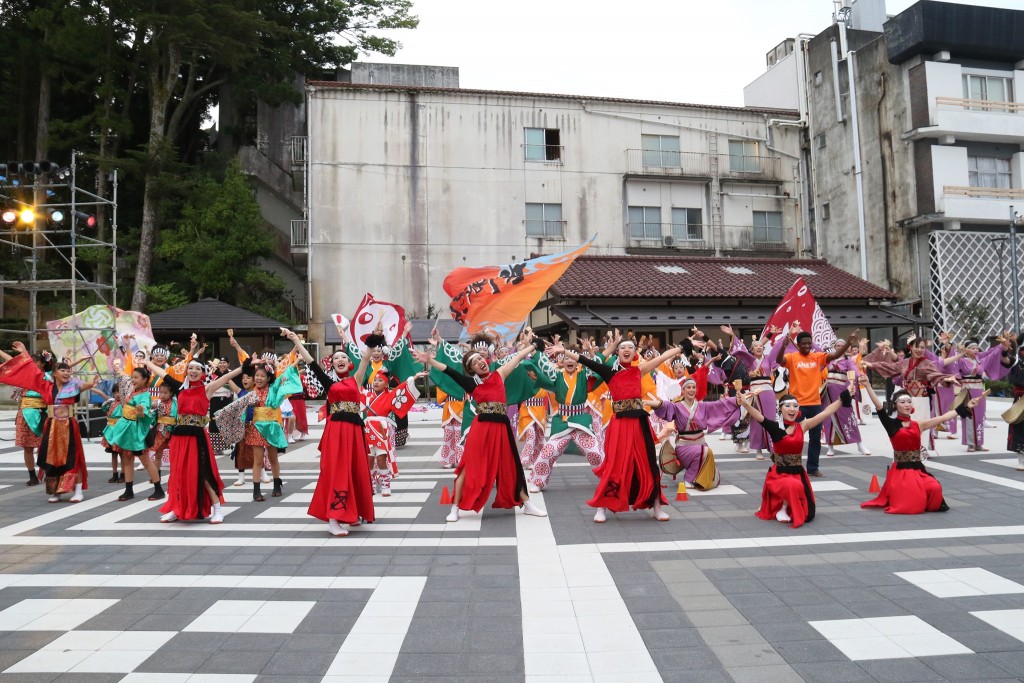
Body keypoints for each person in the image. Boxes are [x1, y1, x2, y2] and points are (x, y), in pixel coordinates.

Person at [412, 335, 547, 523]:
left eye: (480, 359)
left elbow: (517, 358)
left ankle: (527, 504)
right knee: (467, 468)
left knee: (512, 466)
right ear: (471, 369)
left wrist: (533, 345)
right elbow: (449, 371)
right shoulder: (471, 383)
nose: (480, 362)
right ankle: (455, 507)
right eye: (475, 362)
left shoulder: (499, 374)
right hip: (481, 428)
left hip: (501, 428)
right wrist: (430, 361)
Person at [285, 328, 374, 537]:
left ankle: (354, 513)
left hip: (355, 430)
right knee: (338, 470)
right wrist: (297, 341)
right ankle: (334, 518)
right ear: (332, 364)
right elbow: (310, 362)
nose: (340, 359)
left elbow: (366, 358)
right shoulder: (328, 382)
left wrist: (373, 337)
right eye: (336, 358)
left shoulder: (356, 380)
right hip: (337, 431)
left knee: (356, 469)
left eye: (343, 356)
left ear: (348, 362)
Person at [584, 336, 683, 523]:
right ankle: (601, 507)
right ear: (618, 353)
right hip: (619, 424)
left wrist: (681, 348)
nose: (627, 350)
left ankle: (656, 506)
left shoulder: (639, 370)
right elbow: (587, 361)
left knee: (648, 465)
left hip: (639, 424)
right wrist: (564, 352)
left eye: (630, 347)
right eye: (623, 348)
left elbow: (661, 358)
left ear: (634, 353)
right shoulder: (609, 372)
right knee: (614, 465)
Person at [145, 357, 242, 524]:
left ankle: (217, 509)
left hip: (197, 437)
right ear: (187, 371)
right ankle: (177, 508)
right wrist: (148, 363)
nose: (193, 371)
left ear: (203, 373)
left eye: (197, 369)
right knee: (178, 474)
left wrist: (245, 366)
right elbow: (162, 373)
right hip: (179, 436)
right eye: (191, 368)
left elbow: (226, 377)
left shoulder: (207, 389)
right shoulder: (179, 388)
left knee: (204, 473)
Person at [739, 385, 851, 528]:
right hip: (779, 474)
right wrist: (744, 403)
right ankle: (782, 507)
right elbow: (758, 415)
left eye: (795, 406)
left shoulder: (802, 426)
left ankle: (785, 506)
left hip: (798, 472)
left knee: (808, 513)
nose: (792, 409)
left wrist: (842, 398)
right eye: (788, 405)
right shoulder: (774, 427)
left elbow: (825, 413)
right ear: (780, 409)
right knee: (793, 485)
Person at [859, 378, 976, 514]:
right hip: (900, 472)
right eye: (902, 402)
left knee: (935, 488)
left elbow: (942, 418)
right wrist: (867, 385)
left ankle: (925, 500)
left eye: (909, 402)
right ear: (896, 405)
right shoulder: (890, 424)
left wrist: (967, 407)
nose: (907, 405)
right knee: (911, 507)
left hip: (918, 469)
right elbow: (879, 406)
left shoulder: (918, 425)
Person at [0, 343, 98, 502]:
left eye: (68, 370)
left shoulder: (74, 386)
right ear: (54, 374)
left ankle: (78, 490)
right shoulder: (45, 386)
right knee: (51, 458)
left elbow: (86, 385)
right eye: (63, 370)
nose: (66, 373)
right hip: (51, 425)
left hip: (68, 425)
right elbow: (31, 371)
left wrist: (93, 382)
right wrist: (24, 352)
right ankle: (55, 491)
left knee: (74, 457)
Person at [774, 328, 858, 477]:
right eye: (803, 344)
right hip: (796, 405)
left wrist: (848, 343)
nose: (807, 346)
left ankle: (813, 468)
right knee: (790, 437)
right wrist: (783, 346)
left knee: (815, 439)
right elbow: (779, 361)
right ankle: (790, 465)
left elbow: (836, 355)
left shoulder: (818, 357)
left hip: (814, 403)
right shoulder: (792, 357)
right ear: (798, 345)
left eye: (809, 343)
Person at [526, 344, 605, 492]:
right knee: (548, 452)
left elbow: (596, 365)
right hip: (562, 421)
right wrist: (538, 348)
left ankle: (607, 478)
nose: (570, 361)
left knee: (595, 452)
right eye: (566, 358)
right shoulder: (557, 374)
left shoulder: (584, 375)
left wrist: (589, 352)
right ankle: (538, 481)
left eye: (573, 358)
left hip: (580, 420)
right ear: (562, 359)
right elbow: (543, 366)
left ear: (577, 361)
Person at [863, 337, 960, 453]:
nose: (920, 350)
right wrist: (872, 364)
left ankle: (921, 454)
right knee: (906, 428)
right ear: (911, 347)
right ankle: (907, 451)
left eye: (923, 348)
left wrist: (947, 379)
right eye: (917, 347)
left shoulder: (927, 364)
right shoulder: (904, 362)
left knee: (921, 428)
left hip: (921, 401)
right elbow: (890, 367)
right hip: (907, 400)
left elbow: (936, 375)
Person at [645, 375, 739, 491]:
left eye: (693, 387)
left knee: (710, 467)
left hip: (701, 443)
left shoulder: (703, 406)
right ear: (683, 391)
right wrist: (650, 402)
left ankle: (695, 475)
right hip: (684, 446)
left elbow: (720, 405)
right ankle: (689, 478)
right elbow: (664, 405)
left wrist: (737, 400)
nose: (691, 390)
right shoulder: (677, 407)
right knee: (705, 452)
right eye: (688, 387)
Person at [361, 367, 424, 496]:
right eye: (375, 380)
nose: (376, 382)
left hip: (382, 430)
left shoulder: (390, 396)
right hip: (368, 429)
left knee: (381, 459)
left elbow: (402, 388)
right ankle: (371, 485)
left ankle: (385, 484)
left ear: (386, 383)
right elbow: (355, 387)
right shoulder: (368, 396)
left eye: (380, 380)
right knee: (369, 459)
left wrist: (414, 378)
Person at [103, 366, 160, 501]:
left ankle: (158, 489)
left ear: (145, 380)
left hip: (135, 431)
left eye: (136, 377)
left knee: (145, 461)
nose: (133, 380)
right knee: (127, 460)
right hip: (126, 428)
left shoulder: (145, 394)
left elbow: (145, 407)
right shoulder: (132, 391)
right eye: (132, 377)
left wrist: (142, 410)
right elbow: (125, 380)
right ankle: (129, 490)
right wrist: (119, 370)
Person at [0, 349, 54, 486]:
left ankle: (48, 472)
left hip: (41, 413)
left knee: (44, 446)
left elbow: (63, 370)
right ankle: (32, 475)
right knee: (27, 447)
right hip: (24, 414)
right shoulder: (25, 376)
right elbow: (13, 362)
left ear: (43, 363)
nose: (32, 364)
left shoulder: (48, 377)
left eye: (35, 362)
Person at [949, 337, 1012, 452]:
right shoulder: (962, 361)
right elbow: (955, 370)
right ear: (966, 350)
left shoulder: (980, 360)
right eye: (973, 348)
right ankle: (970, 443)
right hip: (967, 390)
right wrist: (958, 377)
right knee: (968, 415)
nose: (976, 350)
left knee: (979, 416)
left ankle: (979, 442)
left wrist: (1001, 346)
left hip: (979, 391)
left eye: (977, 348)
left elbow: (991, 354)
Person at [822, 348, 870, 456]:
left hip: (842, 391)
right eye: (837, 345)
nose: (839, 347)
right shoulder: (828, 359)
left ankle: (860, 444)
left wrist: (859, 376)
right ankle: (830, 446)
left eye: (842, 345)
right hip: (828, 392)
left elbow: (854, 371)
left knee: (849, 416)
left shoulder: (848, 361)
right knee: (829, 418)